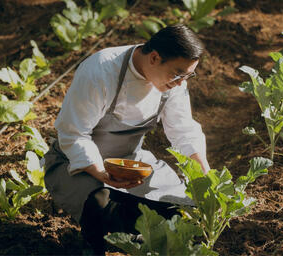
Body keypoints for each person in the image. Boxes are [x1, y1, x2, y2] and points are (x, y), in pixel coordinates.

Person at [44, 24, 210, 255]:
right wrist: (101, 173)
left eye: (188, 75)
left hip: (132, 163)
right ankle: (94, 245)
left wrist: (204, 175)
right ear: (154, 58)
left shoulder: (172, 82)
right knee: (101, 204)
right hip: (76, 164)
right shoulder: (100, 71)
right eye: (179, 74)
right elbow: (74, 133)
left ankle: (136, 236)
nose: (182, 82)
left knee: (181, 209)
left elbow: (183, 129)